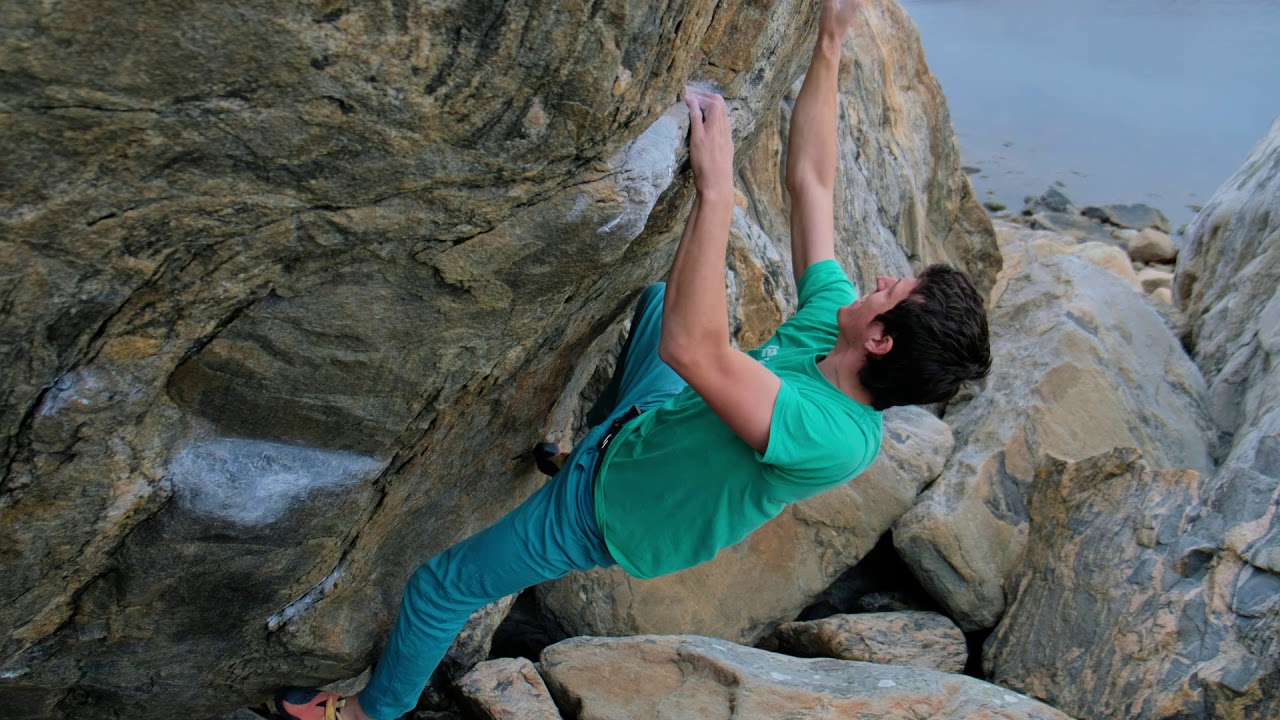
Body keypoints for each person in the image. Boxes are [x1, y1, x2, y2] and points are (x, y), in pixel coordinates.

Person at [268, 1, 990, 718]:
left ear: (881, 340)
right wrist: (830, 41)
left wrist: (716, 189)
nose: (882, 279)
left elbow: (693, 348)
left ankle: (370, 712)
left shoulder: (835, 437)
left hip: (608, 509)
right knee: (656, 299)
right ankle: (585, 443)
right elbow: (813, 183)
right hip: (655, 420)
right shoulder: (833, 324)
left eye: (896, 289)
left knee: (441, 586)